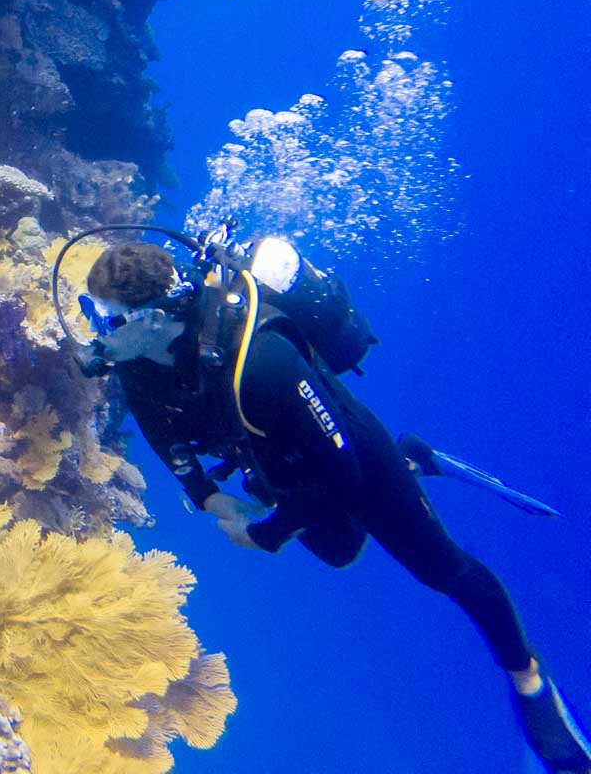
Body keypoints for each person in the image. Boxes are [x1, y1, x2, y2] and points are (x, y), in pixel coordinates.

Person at [77, 237, 591, 773]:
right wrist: (206, 496)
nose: (97, 331)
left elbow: (342, 471)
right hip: (278, 459)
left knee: (443, 570)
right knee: (339, 550)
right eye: (92, 312)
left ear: (156, 318)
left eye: (108, 317)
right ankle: (410, 457)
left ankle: (529, 680)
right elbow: (163, 434)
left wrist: (269, 534)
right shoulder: (134, 356)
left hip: (349, 456)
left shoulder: (263, 363)